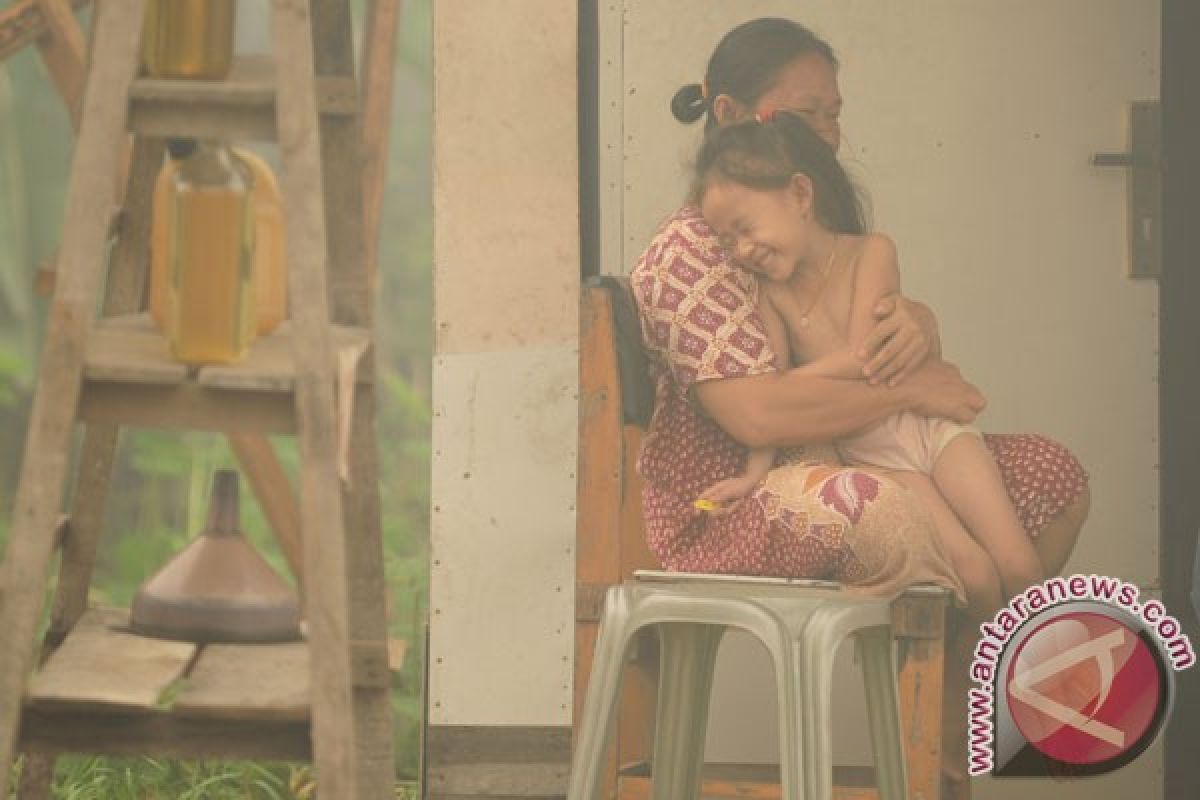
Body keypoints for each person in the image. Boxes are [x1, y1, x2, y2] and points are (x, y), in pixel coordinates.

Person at [630, 17, 1090, 799]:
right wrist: (908, 385)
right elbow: (760, 419)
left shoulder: (833, 238)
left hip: (864, 444)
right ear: (734, 115)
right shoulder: (690, 253)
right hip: (737, 494)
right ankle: (937, 748)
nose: (832, 134)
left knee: (1048, 471)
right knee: (890, 508)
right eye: (809, 114)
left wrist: (917, 329)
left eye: (835, 113)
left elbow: (871, 342)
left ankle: (956, 700)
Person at [691, 111, 1045, 622]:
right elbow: (779, 408)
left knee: (1019, 566)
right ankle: (978, 695)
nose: (742, 250)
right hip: (876, 458)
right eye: (727, 241)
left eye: (746, 228)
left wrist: (783, 384)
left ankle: (1044, 685)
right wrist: (751, 476)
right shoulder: (771, 295)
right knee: (975, 576)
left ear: (800, 196)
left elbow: (863, 358)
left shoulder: (872, 253)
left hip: (932, 431)